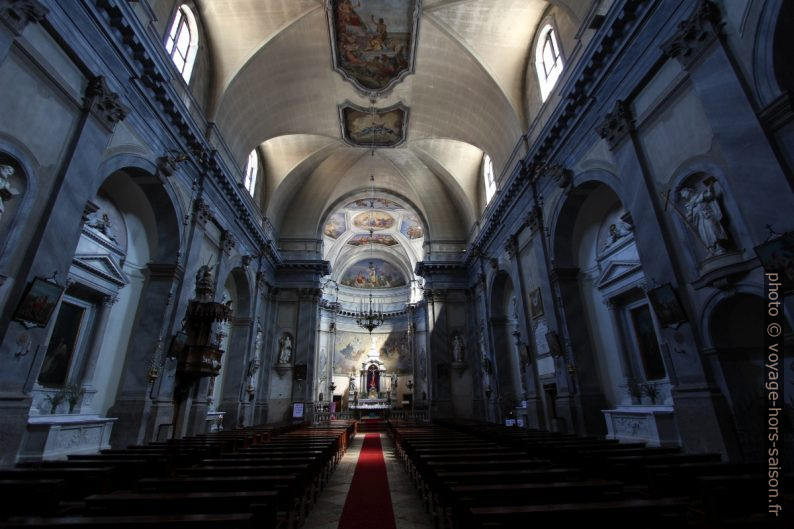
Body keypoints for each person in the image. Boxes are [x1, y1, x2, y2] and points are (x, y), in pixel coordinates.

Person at [679, 181, 731, 255]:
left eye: (683, 193)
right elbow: (690, 216)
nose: (683, 196)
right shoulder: (689, 205)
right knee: (704, 235)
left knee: (712, 230)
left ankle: (718, 246)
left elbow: (710, 195)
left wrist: (710, 188)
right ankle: (711, 249)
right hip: (699, 221)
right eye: (682, 195)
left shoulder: (699, 196)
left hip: (707, 216)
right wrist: (687, 219)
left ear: (688, 191)